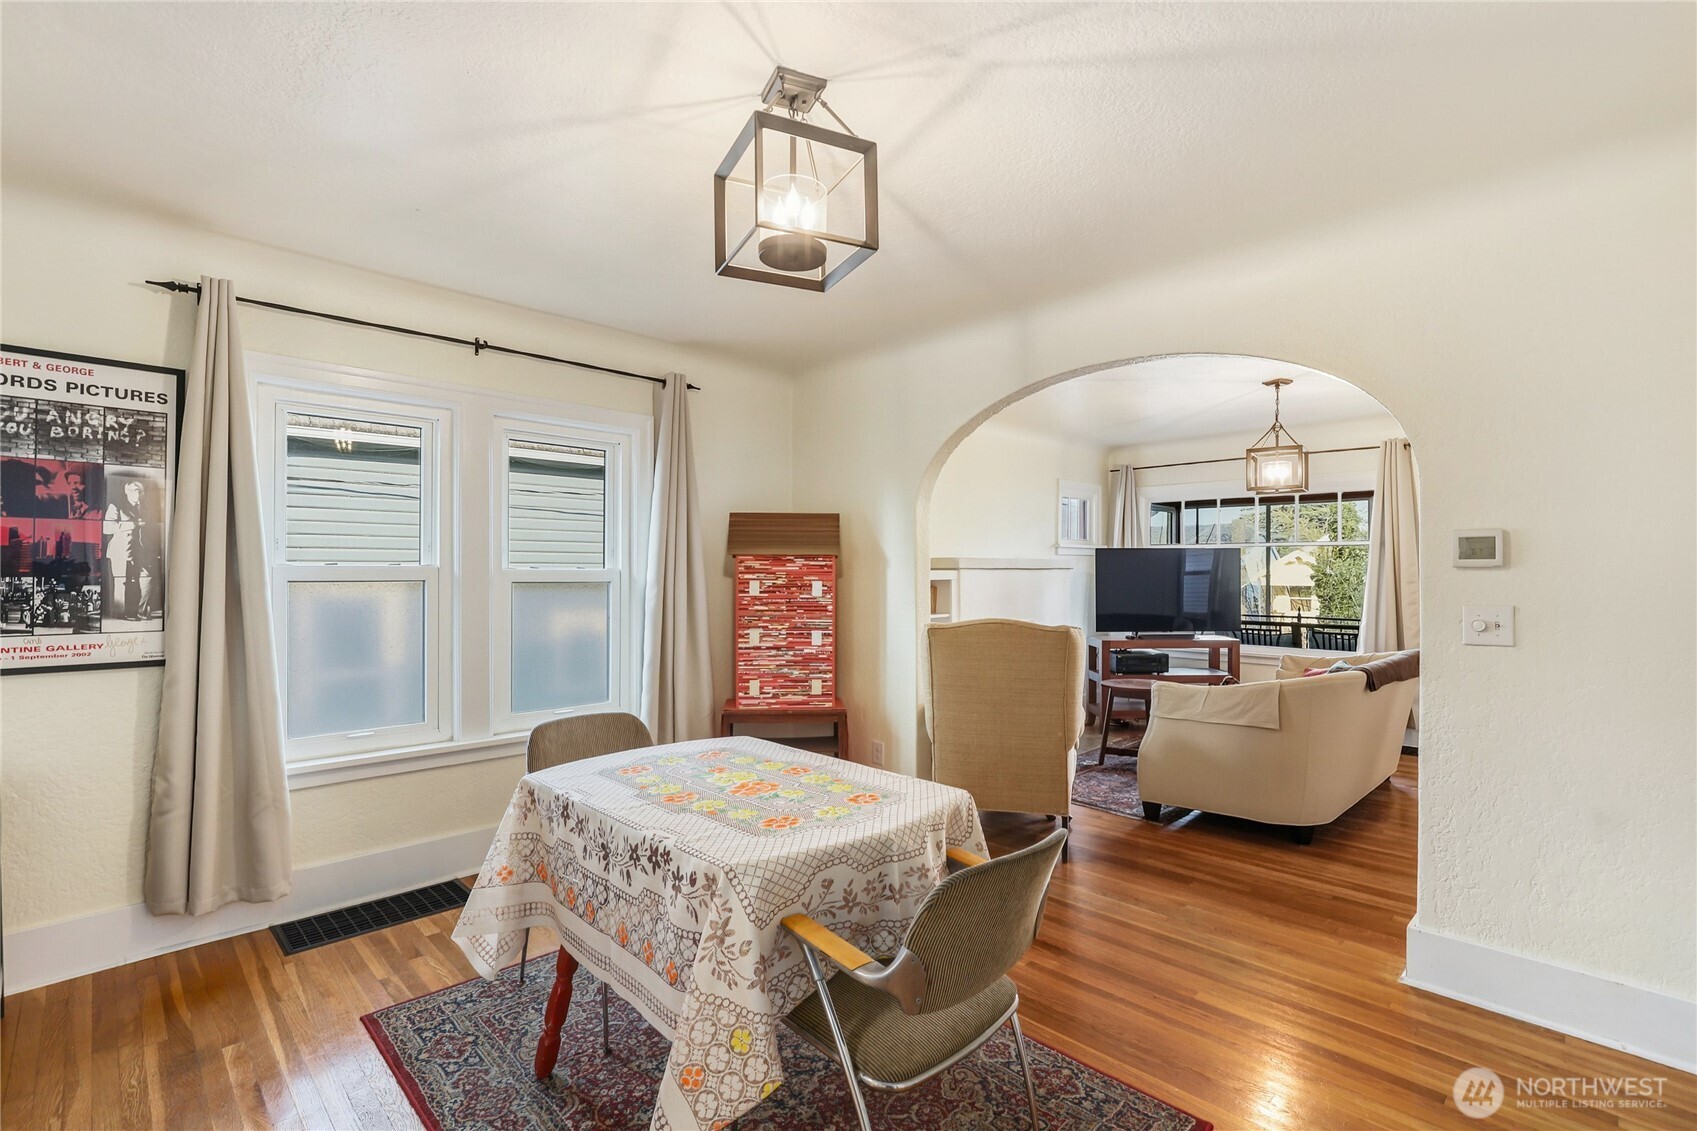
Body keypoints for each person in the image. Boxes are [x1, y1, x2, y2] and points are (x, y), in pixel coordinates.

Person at [103, 479, 158, 621]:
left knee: (147, 579)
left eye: (139, 491)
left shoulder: (146, 507)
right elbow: (107, 528)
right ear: (126, 492)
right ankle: (121, 614)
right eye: (133, 490)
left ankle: (141, 611)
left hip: (140, 550)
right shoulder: (116, 506)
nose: (137, 494)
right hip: (120, 551)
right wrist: (131, 525)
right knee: (121, 582)